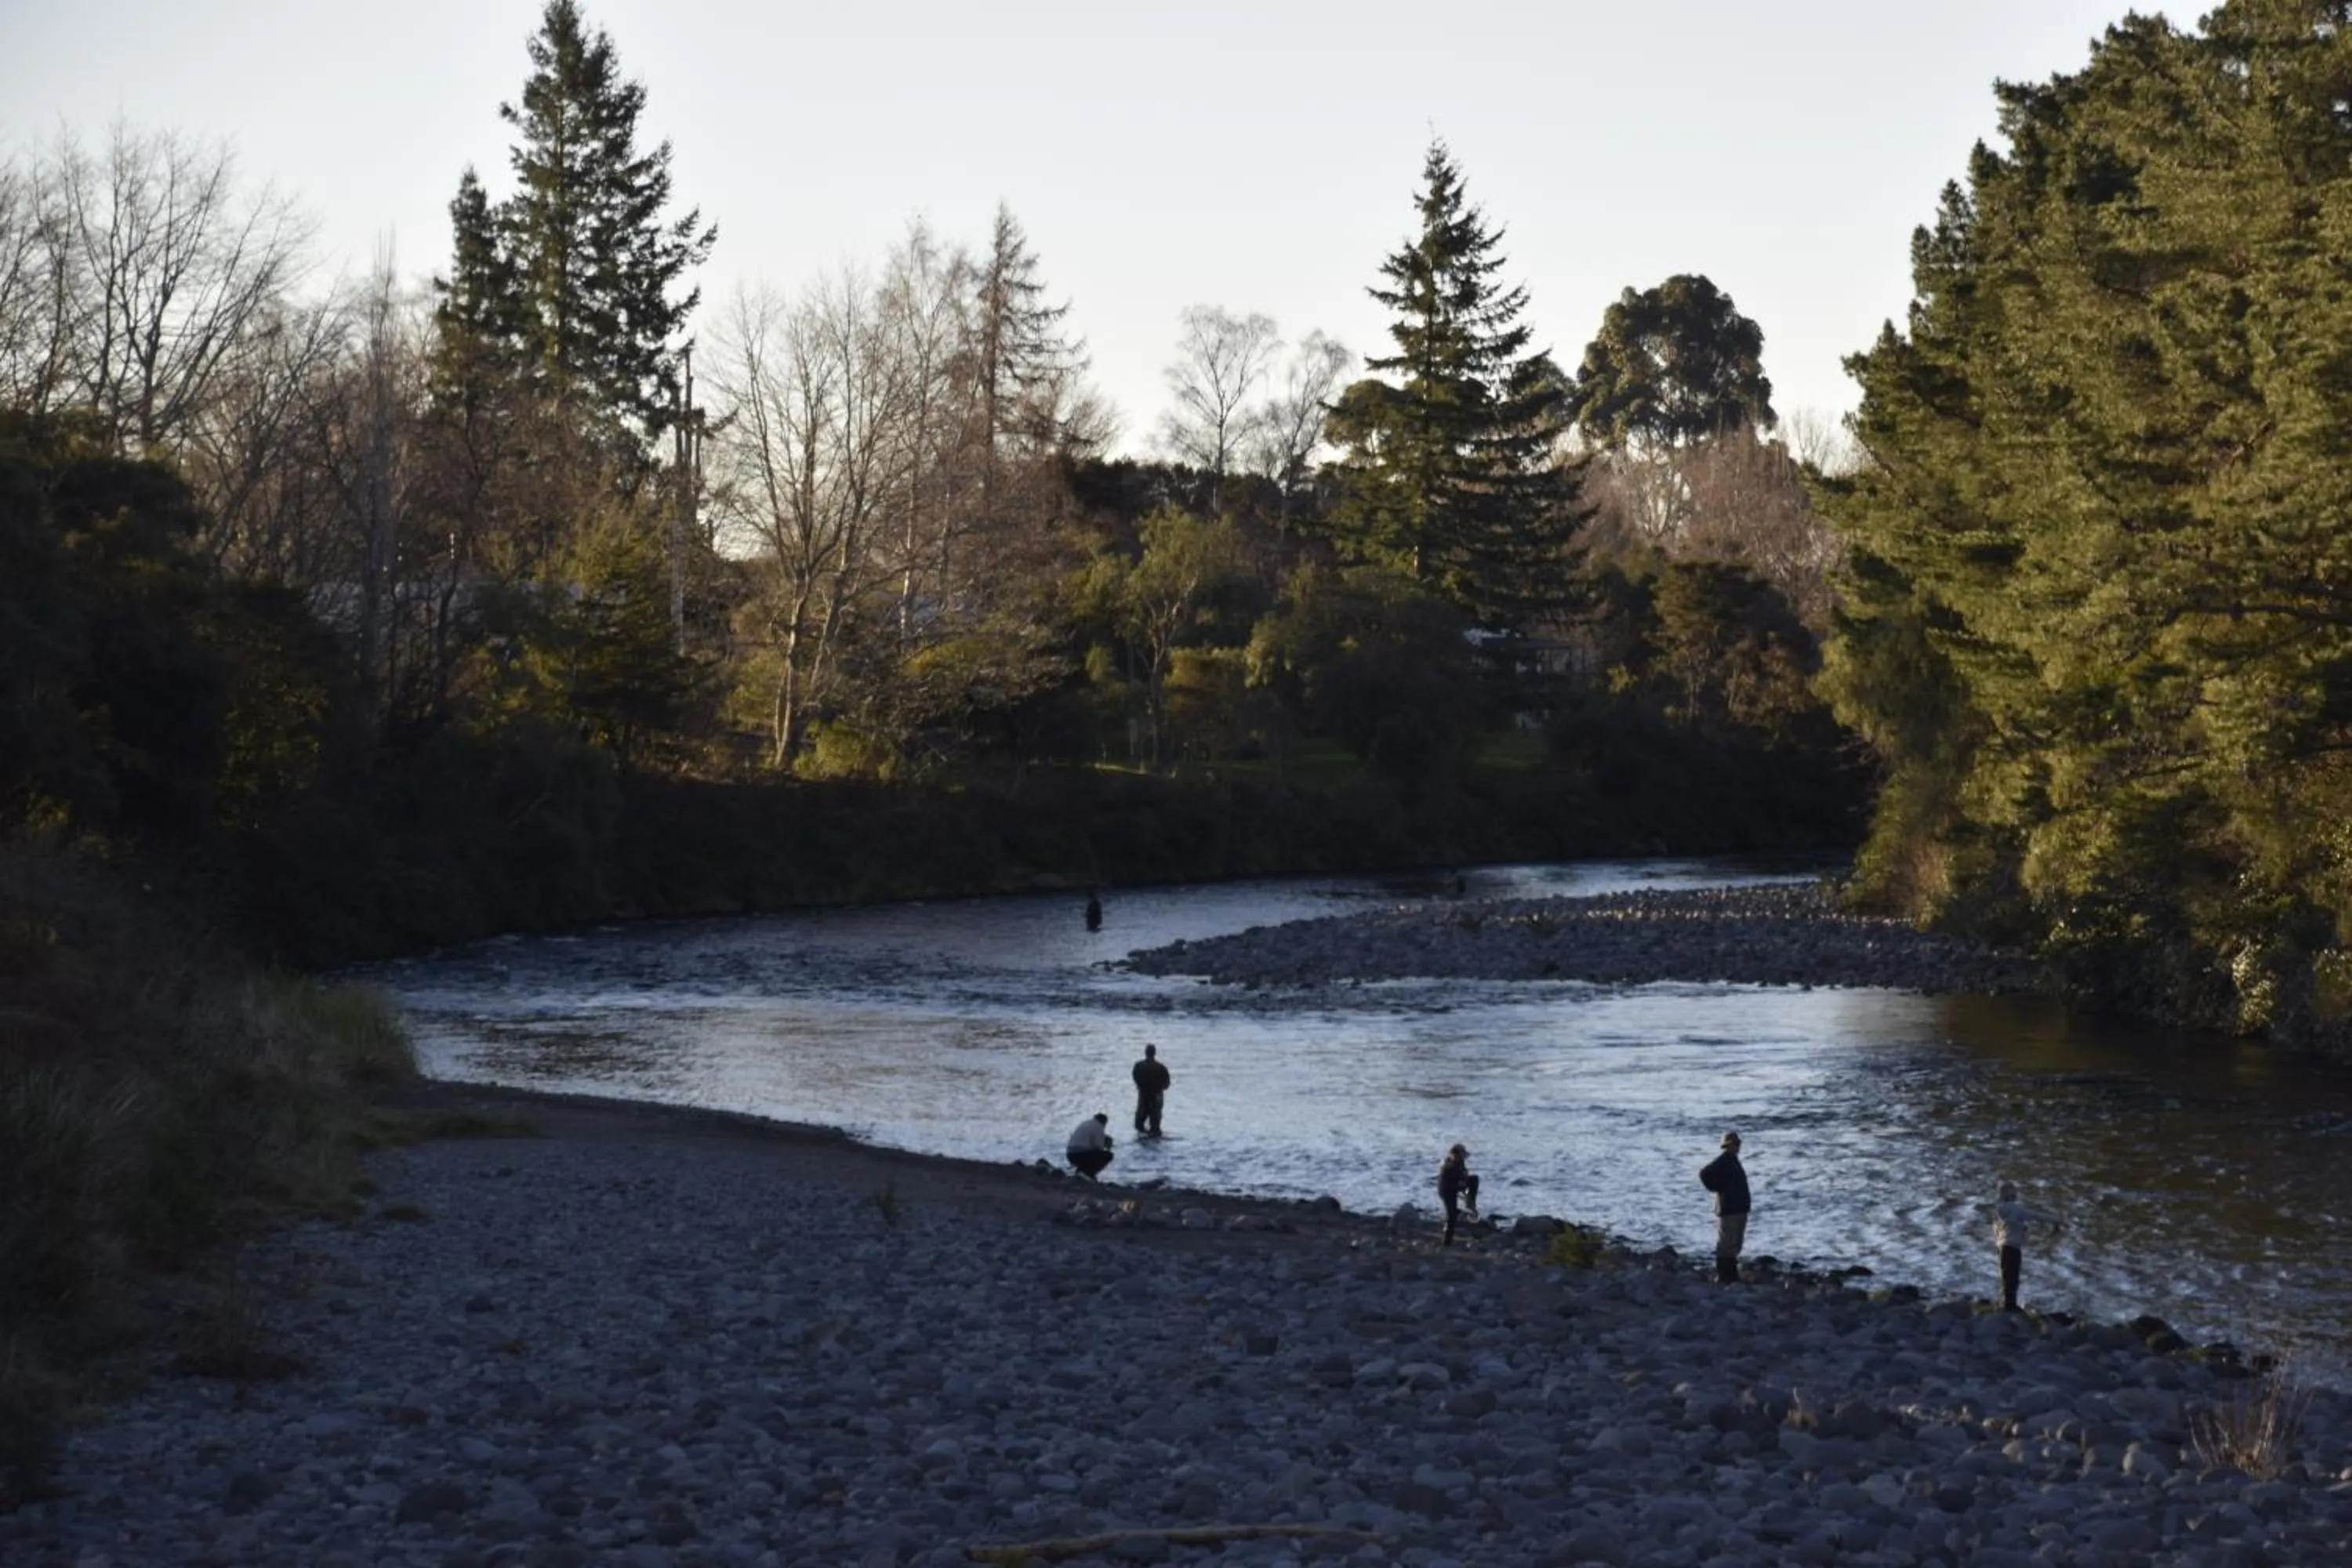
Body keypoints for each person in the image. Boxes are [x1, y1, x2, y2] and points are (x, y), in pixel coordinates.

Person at [1993, 1181, 2061, 1311]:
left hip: (2002, 1248)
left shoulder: (1999, 1210)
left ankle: (2005, 1305)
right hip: (2013, 1248)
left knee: (2006, 1278)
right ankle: (2010, 1309)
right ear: (2011, 1194)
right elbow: (2037, 1216)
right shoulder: (2017, 1210)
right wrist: (2058, 1220)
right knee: (2013, 1279)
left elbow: (1997, 1231)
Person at [1698, 1131, 1750, 1283]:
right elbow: (1704, 1174)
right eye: (1736, 1144)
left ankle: (1731, 1274)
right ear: (1729, 1146)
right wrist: (1717, 1188)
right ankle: (1723, 1275)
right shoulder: (1724, 1160)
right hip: (1729, 1209)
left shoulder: (1732, 1160)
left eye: (1738, 1144)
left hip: (1739, 1208)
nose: (1739, 1147)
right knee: (1726, 1243)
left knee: (1735, 1243)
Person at [1437, 1143, 1480, 1245]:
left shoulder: (1460, 1163)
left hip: (1456, 1187)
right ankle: (1447, 1241)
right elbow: (1450, 1179)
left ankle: (1470, 1203)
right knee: (1451, 1216)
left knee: (1474, 1179)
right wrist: (1462, 1181)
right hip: (1447, 1190)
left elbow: (1464, 1175)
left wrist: (1465, 1185)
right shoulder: (1447, 1164)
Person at [1131, 1044, 1171, 1137]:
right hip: (1156, 1096)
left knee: (1139, 1123)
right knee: (1155, 1124)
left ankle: (1142, 1141)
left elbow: (1135, 1077)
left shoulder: (1139, 1066)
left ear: (1145, 1053)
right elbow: (1167, 1084)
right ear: (1155, 1053)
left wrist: (1141, 1086)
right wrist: (1158, 1088)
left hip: (1143, 1095)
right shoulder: (1161, 1067)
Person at [1066, 1112, 1115, 1180]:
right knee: (1107, 1155)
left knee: (1091, 1154)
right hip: (1081, 1155)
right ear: (1104, 1122)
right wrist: (1107, 1146)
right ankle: (1090, 1174)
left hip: (1070, 1154)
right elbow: (1098, 1147)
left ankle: (1081, 1172)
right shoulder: (1099, 1127)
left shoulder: (1086, 1123)